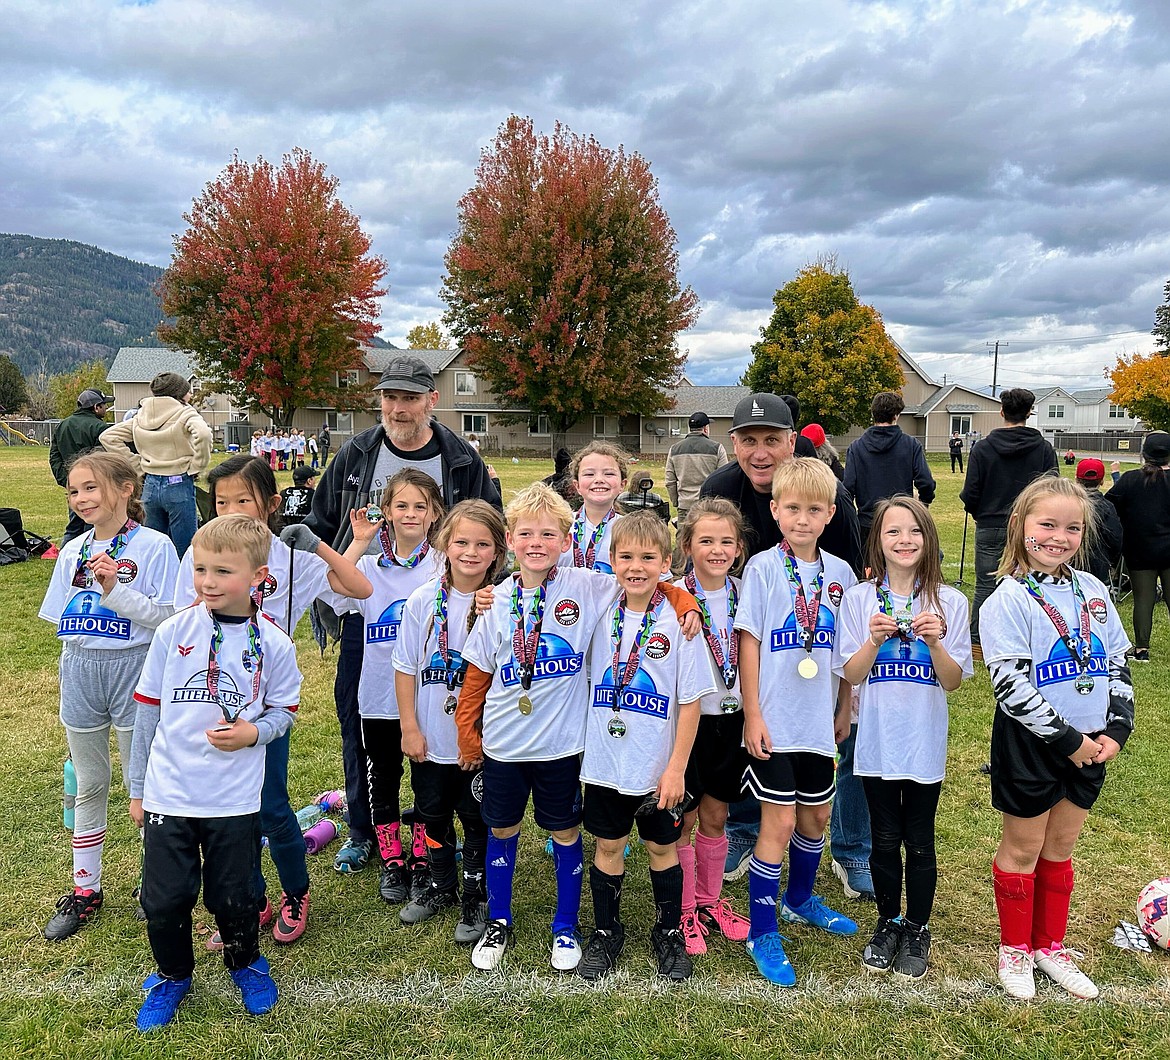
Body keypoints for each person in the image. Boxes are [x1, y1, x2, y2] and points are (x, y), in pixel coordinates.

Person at [453, 484, 698, 972]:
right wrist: (467, 731)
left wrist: (683, 599)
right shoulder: (496, 599)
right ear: (510, 539)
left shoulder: (588, 585)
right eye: (526, 533)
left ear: (567, 541)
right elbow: (478, 670)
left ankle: (566, 925)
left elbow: (643, 580)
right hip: (504, 743)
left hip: (564, 747)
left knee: (565, 832)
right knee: (502, 827)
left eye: (549, 533)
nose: (537, 542)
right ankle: (499, 919)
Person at [302, 354, 500, 877]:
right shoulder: (356, 453)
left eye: (410, 398)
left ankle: (430, 829)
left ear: (431, 401)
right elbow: (322, 523)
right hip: (367, 611)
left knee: (436, 726)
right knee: (362, 728)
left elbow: (490, 530)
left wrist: (487, 594)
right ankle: (367, 831)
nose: (398, 408)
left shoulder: (460, 459)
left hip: (445, 624)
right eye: (390, 397)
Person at [173, 455, 371, 947]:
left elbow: (358, 588)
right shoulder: (199, 554)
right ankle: (254, 896)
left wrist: (322, 546)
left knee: (272, 808)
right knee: (230, 813)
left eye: (244, 499)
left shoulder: (288, 556)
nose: (232, 509)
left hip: (268, 709)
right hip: (212, 703)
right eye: (222, 502)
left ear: (272, 503)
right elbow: (183, 619)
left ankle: (296, 892)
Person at [128, 514, 301, 1031]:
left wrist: (254, 733)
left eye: (222, 571)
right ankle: (173, 975)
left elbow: (283, 713)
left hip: (233, 799)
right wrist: (138, 790)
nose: (208, 582)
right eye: (201, 569)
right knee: (164, 899)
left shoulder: (274, 644)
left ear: (257, 575)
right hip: (170, 794)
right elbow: (147, 714)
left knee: (235, 896)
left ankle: (246, 961)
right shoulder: (171, 632)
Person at [700, 393, 867, 898]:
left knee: (841, 743)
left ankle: (852, 850)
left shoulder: (825, 492)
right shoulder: (720, 488)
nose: (759, 452)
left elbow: (850, 589)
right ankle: (744, 831)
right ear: (733, 443)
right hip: (748, 641)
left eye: (772, 440)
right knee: (746, 730)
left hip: (820, 655)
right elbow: (700, 550)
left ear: (792, 443)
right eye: (748, 440)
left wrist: (846, 693)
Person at [981, 477, 1133, 1001]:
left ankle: (1049, 944)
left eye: (1072, 527)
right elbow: (1009, 685)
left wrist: (1116, 728)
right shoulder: (1007, 598)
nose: (1059, 537)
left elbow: (1116, 658)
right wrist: (1070, 742)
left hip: (1092, 741)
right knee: (1023, 847)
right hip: (1035, 743)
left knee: (1061, 845)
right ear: (1021, 526)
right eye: (1046, 524)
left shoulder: (1093, 590)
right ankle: (1015, 950)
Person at [38, 451, 180, 941]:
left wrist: (116, 590)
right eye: (74, 491)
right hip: (79, 670)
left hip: (132, 669)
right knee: (89, 783)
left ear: (125, 489)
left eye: (91, 488)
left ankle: (153, 884)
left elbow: (168, 617)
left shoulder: (156, 546)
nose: (81, 499)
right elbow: (63, 618)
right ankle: (85, 889)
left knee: (141, 783)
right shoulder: (73, 548)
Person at [735, 458, 859, 987]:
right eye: (792, 509)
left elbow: (850, 648)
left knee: (816, 821)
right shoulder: (762, 568)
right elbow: (750, 642)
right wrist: (754, 713)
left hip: (818, 722)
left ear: (830, 514)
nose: (802, 519)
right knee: (779, 825)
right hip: (776, 722)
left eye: (813, 509)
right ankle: (763, 928)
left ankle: (800, 899)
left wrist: (845, 705)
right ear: (774, 510)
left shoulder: (842, 574)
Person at [837, 497, 972, 978]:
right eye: (893, 532)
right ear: (878, 541)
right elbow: (850, 674)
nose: (904, 540)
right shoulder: (858, 599)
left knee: (919, 839)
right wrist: (872, 640)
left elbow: (953, 681)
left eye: (914, 531)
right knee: (883, 837)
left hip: (923, 741)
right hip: (875, 740)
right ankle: (889, 921)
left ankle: (918, 927)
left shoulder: (950, 601)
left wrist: (936, 642)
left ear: (928, 538)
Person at [576, 513, 712, 982]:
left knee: (662, 847)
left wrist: (676, 769)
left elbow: (691, 703)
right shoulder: (596, 606)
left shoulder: (680, 620)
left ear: (667, 562)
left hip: (658, 768)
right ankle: (606, 931)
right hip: (605, 764)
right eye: (626, 556)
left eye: (648, 557)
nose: (636, 566)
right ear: (610, 560)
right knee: (608, 845)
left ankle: (668, 933)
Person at [326, 469, 445, 906]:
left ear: (434, 514)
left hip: (428, 694)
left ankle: (421, 853)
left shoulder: (445, 563)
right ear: (387, 513)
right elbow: (335, 584)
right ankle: (392, 856)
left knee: (427, 776)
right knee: (385, 773)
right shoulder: (370, 566)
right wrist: (359, 540)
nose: (411, 514)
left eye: (420, 506)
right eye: (401, 506)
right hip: (377, 694)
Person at [393, 500, 508, 944]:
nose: (471, 552)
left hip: (480, 740)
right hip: (431, 736)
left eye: (483, 544)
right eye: (461, 542)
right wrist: (409, 727)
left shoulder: (505, 601)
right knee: (431, 813)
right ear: (444, 544)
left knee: (477, 818)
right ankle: (441, 882)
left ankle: (475, 897)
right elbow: (405, 666)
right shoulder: (423, 600)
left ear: (497, 551)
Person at [674, 498, 752, 957]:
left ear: (739, 548)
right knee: (682, 817)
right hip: (687, 723)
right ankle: (684, 908)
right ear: (688, 545)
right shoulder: (670, 594)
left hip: (733, 720)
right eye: (706, 540)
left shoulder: (746, 592)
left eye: (726, 541)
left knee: (717, 815)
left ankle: (709, 900)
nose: (717, 549)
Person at [961, 388, 1059, 656]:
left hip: (991, 524)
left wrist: (980, 512)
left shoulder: (982, 449)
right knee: (1032, 582)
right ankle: (1030, 637)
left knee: (986, 584)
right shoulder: (1043, 449)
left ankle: (978, 641)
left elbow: (971, 492)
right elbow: (1052, 490)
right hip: (1031, 526)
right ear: (1029, 413)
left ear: (1002, 411)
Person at [100, 372, 212, 559]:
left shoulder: (140, 416)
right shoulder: (185, 412)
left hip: (150, 484)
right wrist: (196, 465)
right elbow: (203, 434)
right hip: (179, 481)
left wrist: (138, 465)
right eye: (188, 391)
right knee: (185, 549)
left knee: (153, 546)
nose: (190, 395)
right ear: (179, 393)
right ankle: (184, 584)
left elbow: (108, 437)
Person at [1104, 432, 1170, 662]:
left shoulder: (1131, 480)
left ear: (1144, 454)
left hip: (1140, 549)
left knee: (1143, 599)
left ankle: (1141, 649)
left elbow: (1109, 506)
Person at [842, 392, 936, 539]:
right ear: (896, 415)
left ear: (873, 414)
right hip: (900, 523)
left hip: (867, 525)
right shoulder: (910, 445)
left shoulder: (856, 447)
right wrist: (923, 503)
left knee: (867, 563)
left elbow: (847, 488)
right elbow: (926, 483)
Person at [49, 388, 113, 544]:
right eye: (104, 405)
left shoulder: (63, 425)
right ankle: (88, 560)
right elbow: (103, 459)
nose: (106, 408)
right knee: (92, 525)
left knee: (73, 526)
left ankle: (66, 560)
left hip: (73, 486)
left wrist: (66, 481)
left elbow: (54, 456)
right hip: (94, 485)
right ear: (96, 407)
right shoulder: (101, 428)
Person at [665, 412, 728, 568]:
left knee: (682, 538)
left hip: (685, 504)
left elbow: (670, 480)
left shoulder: (674, 449)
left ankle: (679, 571)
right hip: (708, 505)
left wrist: (676, 501)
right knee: (707, 539)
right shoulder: (717, 448)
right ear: (705, 429)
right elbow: (724, 477)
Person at [558, 441, 626, 574]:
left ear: (622, 485)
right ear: (577, 485)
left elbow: (660, 580)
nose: (599, 479)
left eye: (609, 474)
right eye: (589, 474)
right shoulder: (559, 524)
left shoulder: (632, 529)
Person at [1075, 459, 1122, 585]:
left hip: (1066, 562)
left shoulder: (1066, 503)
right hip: (1097, 565)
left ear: (1076, 479)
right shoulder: (1107, 507)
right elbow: (1115, 537)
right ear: (1101, 481)